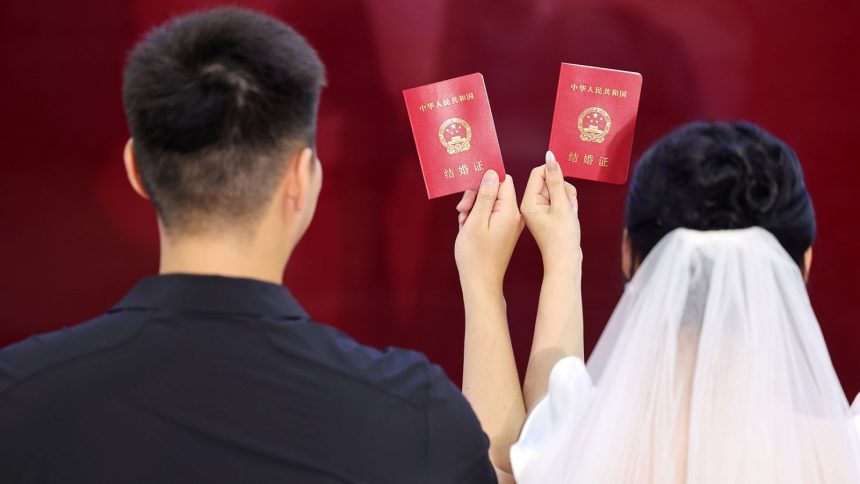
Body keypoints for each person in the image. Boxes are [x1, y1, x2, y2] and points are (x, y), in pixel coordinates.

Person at [0, 7, 496, 483]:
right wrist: (487, 283)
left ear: (137, 170)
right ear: (301, 178)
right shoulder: (411, 412)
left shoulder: (18, 395)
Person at [454, 121, 860, 483]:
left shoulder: (582, 454)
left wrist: (489, 279)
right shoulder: (846, 456)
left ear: (630, 254)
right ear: (803, 264)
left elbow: (511, 461)